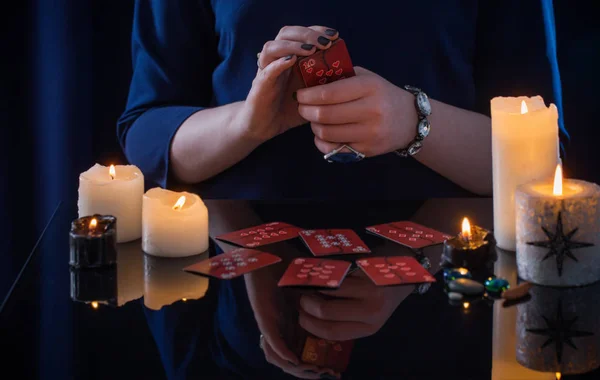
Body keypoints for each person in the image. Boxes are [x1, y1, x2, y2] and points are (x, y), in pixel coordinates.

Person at [117, 1, 562, 200]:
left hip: (445, 287)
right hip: (239, 281)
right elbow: (147, 131)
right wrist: (246, 125)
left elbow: (540, 155)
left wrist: (412, 121)